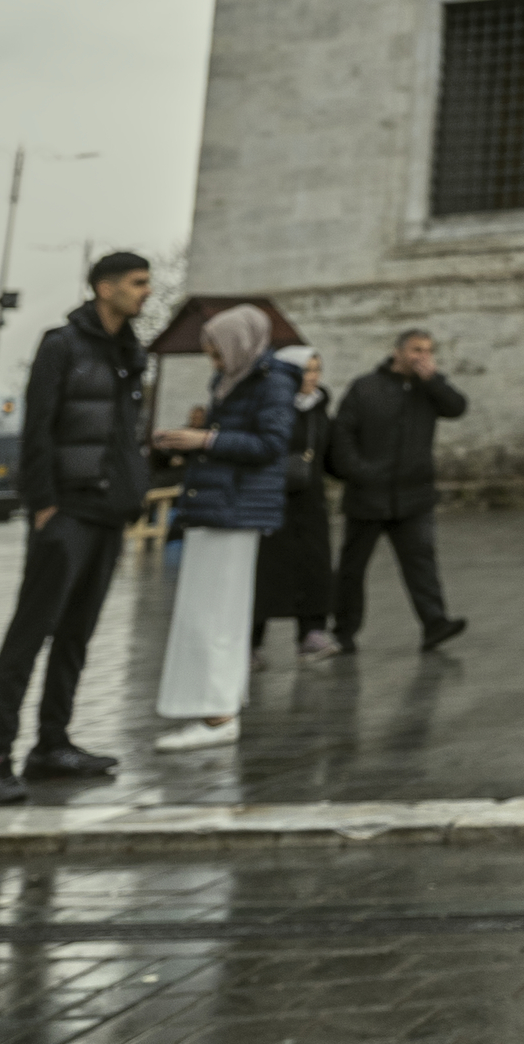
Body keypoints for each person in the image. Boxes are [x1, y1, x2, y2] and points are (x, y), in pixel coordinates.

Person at [0, 250, 155, 806]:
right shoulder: (61, 346)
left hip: (108, 511)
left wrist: (132, 495)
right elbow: (39, 429)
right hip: (67, 511)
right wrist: (43, 505)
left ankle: (52, 745)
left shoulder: (130, 353)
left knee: (76, 634)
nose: (146, 292)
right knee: (30, 633)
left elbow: (124, 435)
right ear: (105, 288)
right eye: (137, 283)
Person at [152, 304, 296, 750]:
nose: (214, 362)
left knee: (213, 612)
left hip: (236, 507)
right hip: (219, 502)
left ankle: (217, 715)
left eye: (218, 352)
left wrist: (206, 440)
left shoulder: (271, 382)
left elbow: (272, 444)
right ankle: (218, 704)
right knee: (211, 611)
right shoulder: (232, 379)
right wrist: (197, 437)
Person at [332, 328, 469, 652]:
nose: (422, 356)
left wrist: (434, 380)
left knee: (421, 562)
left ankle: (434, 623)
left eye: (428, 350)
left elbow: (457, 407)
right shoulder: (365, 388)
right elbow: (342, 434)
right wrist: (359, 472)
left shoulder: (429, 390)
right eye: (415, 350)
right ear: (398, 352)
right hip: (368, 496)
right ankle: (343, 631)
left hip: (414, 496)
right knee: (353, 568)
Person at [251, 346, 339, 659]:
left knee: (313, 566)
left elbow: (332, 455)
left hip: (310, 500)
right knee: (266, 571)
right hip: (271, 498)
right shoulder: (270, 405)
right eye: (303, 370)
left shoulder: (319, 409)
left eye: (316, 370)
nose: (310, 377)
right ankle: (252, 641)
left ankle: (312, 631)